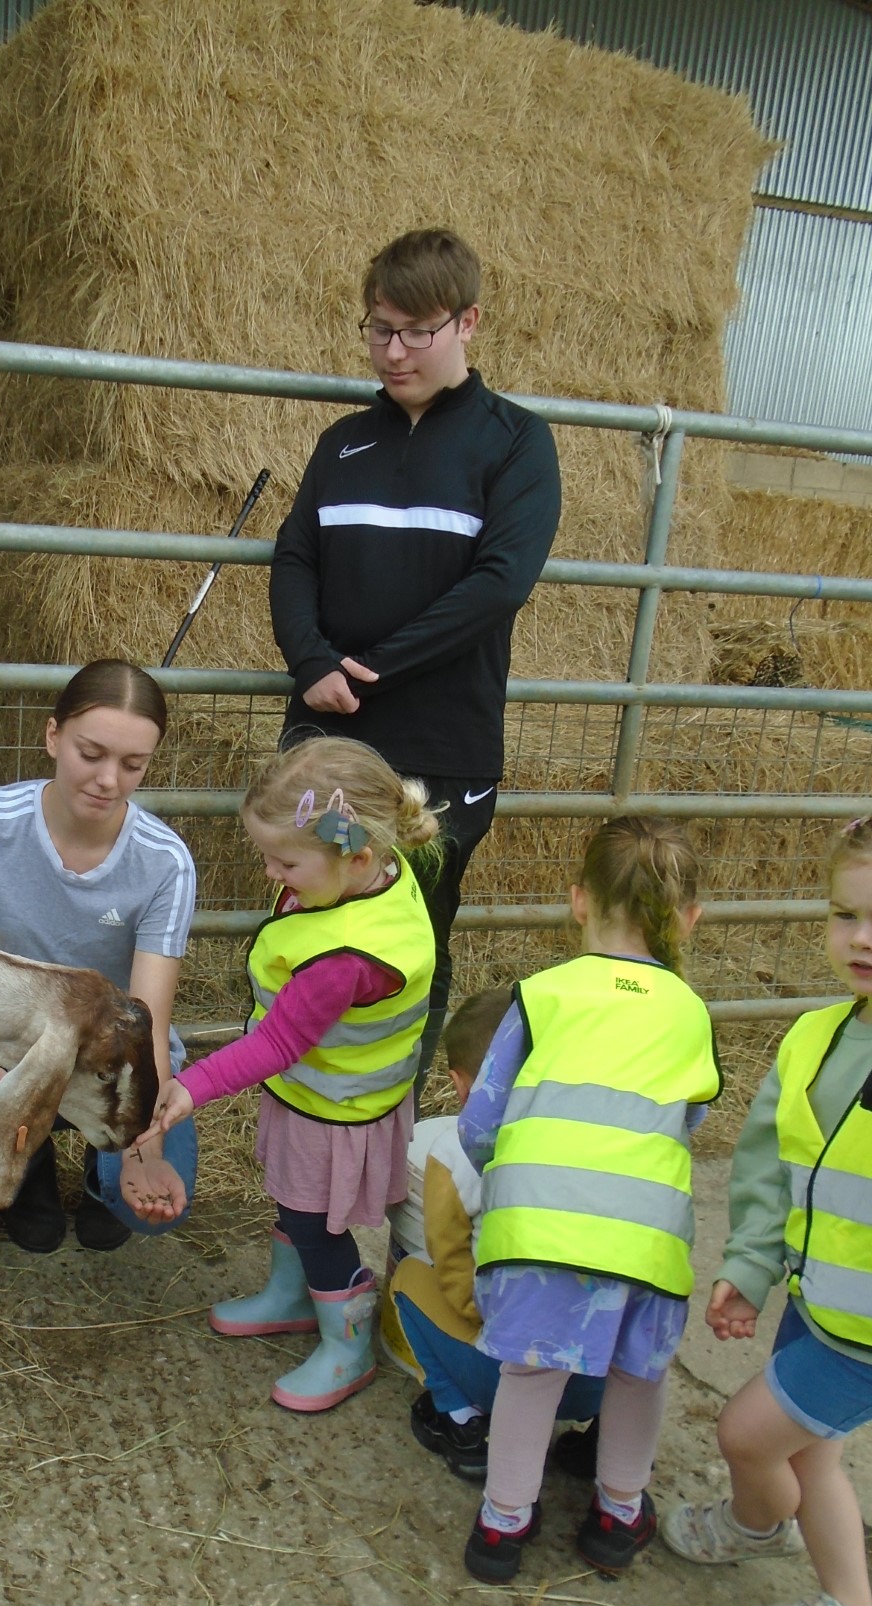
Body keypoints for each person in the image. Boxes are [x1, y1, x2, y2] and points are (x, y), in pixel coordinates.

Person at [269, 227, 562, 1091]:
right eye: (377, 329)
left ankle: (385, 1107)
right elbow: (295, 557)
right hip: (331, 743)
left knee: (410, 932)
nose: (392, 352)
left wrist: (375, 668)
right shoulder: (343, 444)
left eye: (415, 332)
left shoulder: (515, 443)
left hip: (439, 755)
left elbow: (502, 581)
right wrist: (311, 659)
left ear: (467, 322)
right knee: (319, 902)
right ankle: (304, 1098)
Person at [457, 817, 721, 1585]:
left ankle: (502, 1526)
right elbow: (690, 1118)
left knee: (530, 1374)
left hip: (537, 1223)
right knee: (640, 1374)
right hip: (646, 1237)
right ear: (690, 919)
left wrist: (508, 1182)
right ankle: (617, 1512)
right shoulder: (691, 1013)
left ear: (578, 901)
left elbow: (482, 1121)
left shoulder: (541, 996)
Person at [138, 736, 437, 1413]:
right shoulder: (373, 874)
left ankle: (348, 1339)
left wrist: (190, 1086)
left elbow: (278, 1042)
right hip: (321, 1093)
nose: (272, 873)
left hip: (335, 1109)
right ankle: (289, 1295)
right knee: (294, 1199)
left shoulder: (345, 959)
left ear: (356, 856)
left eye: (285, 860)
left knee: (313, 1221)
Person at [0, 660, 197, 1253]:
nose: (109, 779)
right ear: (53, 736)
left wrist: (141, 1150)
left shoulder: (165, 862)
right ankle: (27, 1168)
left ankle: (101, 1178)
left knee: (151, 1202)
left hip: (116, 1055)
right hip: (11, 1038)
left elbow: (147, 1019)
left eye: (133, 765)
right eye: (91, 753)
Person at [664, 816, 872, 1606]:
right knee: (807, 1447)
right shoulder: (815, 1037)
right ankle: (764, 1531)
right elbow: (766, 1170)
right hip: (819, 1298)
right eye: (844, 913)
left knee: (749, 1435)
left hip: (863, 1333)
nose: (860, 939)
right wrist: (751, 1266)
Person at [383, 986, 604, 1483]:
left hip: (512, 1377)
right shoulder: (601, 1139)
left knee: (412, 1279)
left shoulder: (456, 1153)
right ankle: (606, 1443)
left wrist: (475, 1319)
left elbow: (456, 1270)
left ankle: (462, 1422)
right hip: (604, 1376)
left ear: (460, 1084)